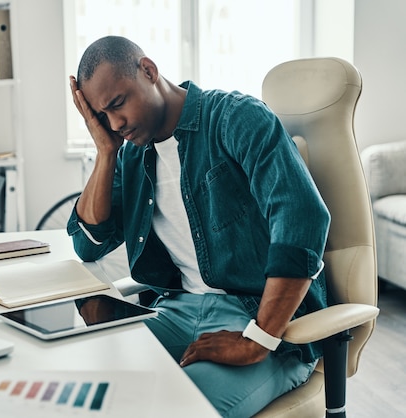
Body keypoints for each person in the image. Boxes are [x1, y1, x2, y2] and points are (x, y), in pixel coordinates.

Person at [66, 36, 330, 417]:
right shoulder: (132, 153)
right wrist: (106, 152)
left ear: (149, 71)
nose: (116, 123)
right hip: (175, 311)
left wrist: (258, 338)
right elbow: (88, 244)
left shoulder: (236, 118)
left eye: (118, 104)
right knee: (82, 387)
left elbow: (303, 221)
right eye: (102, 116)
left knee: (179, 409)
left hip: (262, 319)